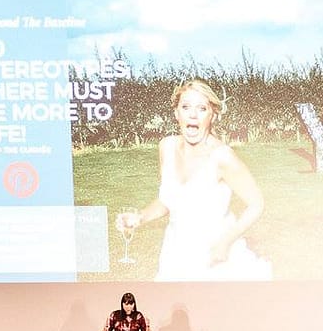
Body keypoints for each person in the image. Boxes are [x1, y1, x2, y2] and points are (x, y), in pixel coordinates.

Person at [115, 78, 269, 282]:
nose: (193, 114)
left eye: (202, 108)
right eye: (186, 107)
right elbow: (168, 200)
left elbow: (257, 204)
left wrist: (226, 242)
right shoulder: (166, 147)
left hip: (217, 260)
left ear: (212, 115)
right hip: (174, 256)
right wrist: (140, 217)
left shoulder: (222, 156)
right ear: (176, 113)